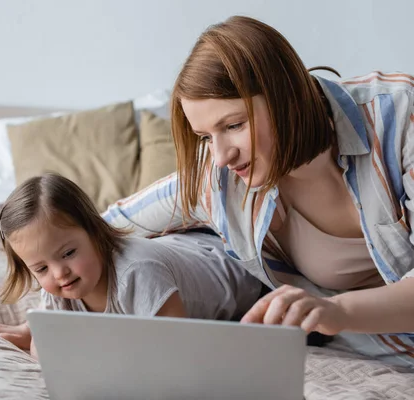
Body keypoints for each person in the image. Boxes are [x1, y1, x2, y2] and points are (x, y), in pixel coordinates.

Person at [102, 15, 414, 368]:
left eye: (233, 125)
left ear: (288, 97)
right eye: (205, 137)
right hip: (365, 355)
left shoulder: (400, 118)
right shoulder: (219, 177)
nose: (220, 156)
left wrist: (336, 311)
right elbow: (110, 224)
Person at [0, 173, 262, 358]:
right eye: (40, 269)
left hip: (229, 261)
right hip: (175, 248)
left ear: (94, 230)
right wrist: (35, 333)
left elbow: (176, 349)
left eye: (67, 253)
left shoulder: (137, 274)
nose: (58, 273)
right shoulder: (58, 281)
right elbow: (47, 348)